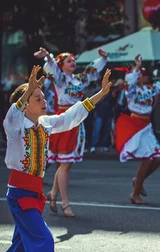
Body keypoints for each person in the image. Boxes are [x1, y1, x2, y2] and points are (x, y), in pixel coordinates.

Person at [0, 66, 112, 252]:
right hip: (20, 194)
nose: (44, 101)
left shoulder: (46, 123)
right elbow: (11, 116)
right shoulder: (15, 128)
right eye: (37, 98)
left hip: (33, 194)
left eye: (43, 96)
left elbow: (72, 115)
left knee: (22, 244)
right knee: (43, 240)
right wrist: (28, 88)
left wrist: (101, 94)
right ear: (25, 104)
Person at [35, 47, 108, 217]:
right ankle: (65, 203)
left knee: (64, 163)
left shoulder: (79, 79)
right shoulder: (60, 79)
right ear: (61, 65)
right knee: (65, 164)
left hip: (77, 118)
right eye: (69, 61)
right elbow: (52, 68)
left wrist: (103, 59)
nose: (73, 62)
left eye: (74, 60)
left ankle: (53, 194)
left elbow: (91, 70)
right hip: (64, 118)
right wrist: (48, 57)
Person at [115, 54, 160, 204]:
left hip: (146, 126)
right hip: (135, 125)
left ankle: (138, 181)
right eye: (136, 73)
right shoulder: (131, 91)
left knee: (159, 158)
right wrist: (136, 67)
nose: (139, 75)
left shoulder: (149, 89)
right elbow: (130, 83)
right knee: (147, 159)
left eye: (140, 73)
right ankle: (135, 193)